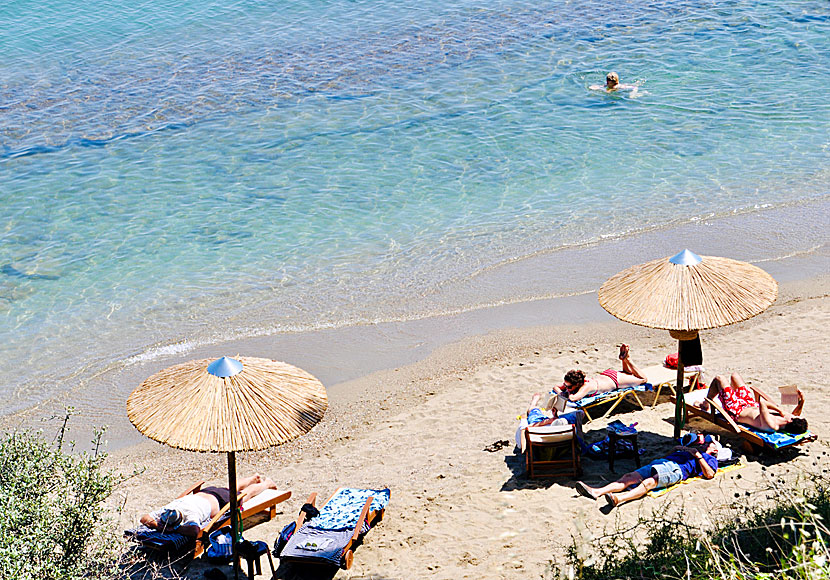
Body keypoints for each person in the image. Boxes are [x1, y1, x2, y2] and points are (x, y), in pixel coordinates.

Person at [575, 434, 722, 509]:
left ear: (715, 449)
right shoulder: (692, 448)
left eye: (709, 443)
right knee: (629, 476)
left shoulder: (710, 458)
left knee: (649, 482)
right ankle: (597, 491)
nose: (706, 443)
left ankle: (619, 499)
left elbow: (709, 474)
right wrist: (680, 449)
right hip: (663, 462)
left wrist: (698, 456)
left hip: (677, 470)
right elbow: (667, 454)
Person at [139, 474, 278, 537]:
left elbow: (194, 531)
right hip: (207, 493)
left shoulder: (190, 515)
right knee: (227, 488)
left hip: (220, 501)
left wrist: (173, 529)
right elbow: (143, 518)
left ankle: (266, 483)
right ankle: (253, 478)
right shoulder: (170, 508)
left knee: (245, 495)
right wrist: (160, 526)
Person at [700, 373, 807, 434]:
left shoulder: (771, 425)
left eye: (792, 418)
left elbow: (762, 403)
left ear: (789, 422)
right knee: (735, 376)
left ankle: (706, 403)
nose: (792, 416)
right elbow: (796, 414)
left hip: (736, 409)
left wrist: (780, 410)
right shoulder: (788, 420)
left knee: (719, 378)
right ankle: (727, 392)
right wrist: (801, 401)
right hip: (749, 403)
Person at [551, 344, 647, 402]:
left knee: (643, 379)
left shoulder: (586, 387)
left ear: (577, 384)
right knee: (627, 373)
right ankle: (623, 360)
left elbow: (573, 398)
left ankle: (628, 360)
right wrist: (561, 391)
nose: (567, 388)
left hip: (614, 380)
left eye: (569, 387)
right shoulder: (574, 383)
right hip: (607, 375)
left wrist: (565, 393)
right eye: (566, 385)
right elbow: (555, 387)